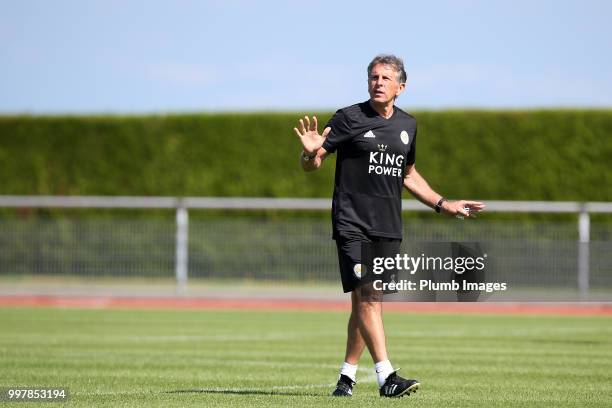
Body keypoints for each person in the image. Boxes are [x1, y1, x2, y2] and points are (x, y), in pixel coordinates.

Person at [293, 54, 485, 398]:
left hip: (388, 227)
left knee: (367, 300)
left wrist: (444, 203)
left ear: (401, 86)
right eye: (373, 77)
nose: (377, 82)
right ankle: (387, 377)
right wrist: (309, 154)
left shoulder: (408, 126)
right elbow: (315, 162)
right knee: (368, 297)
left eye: (385, 78)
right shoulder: (348, 117)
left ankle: (346, 378)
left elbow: (408, 174)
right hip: (352, 223)